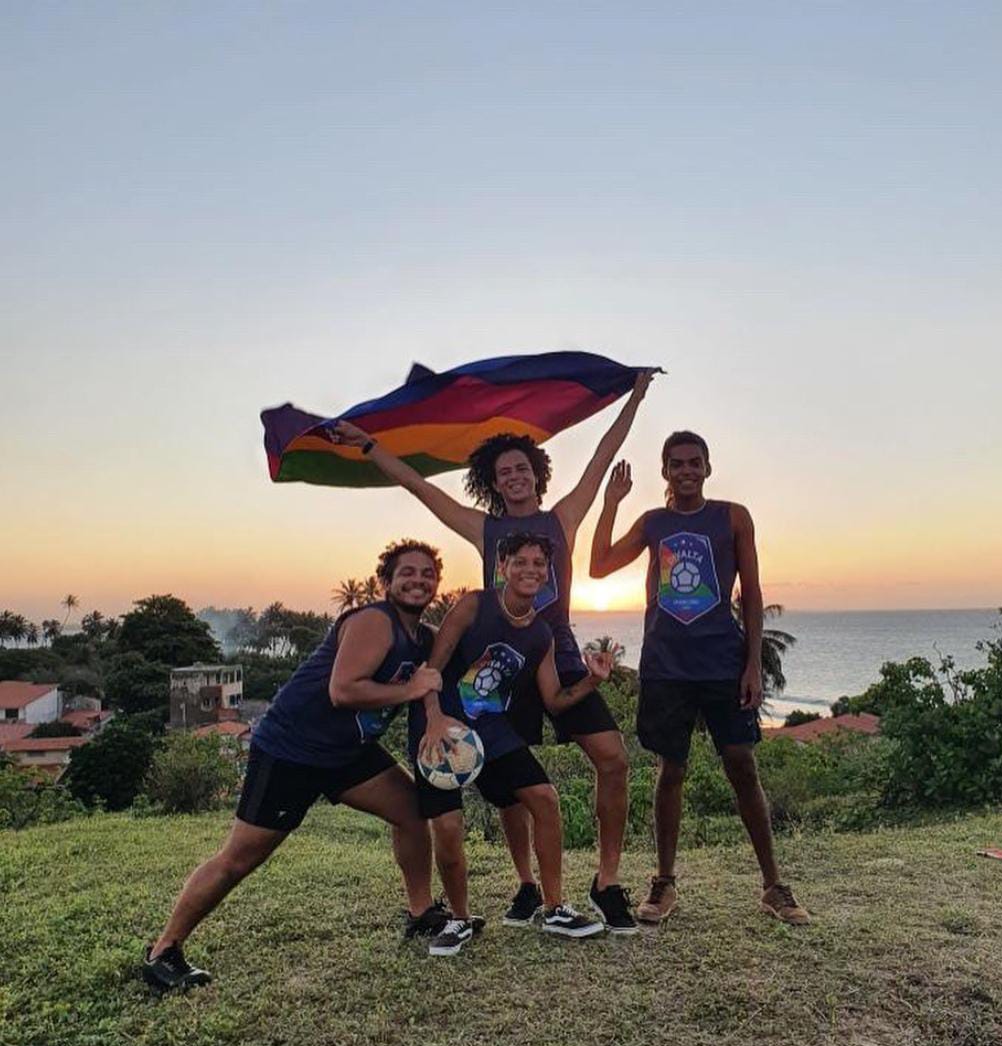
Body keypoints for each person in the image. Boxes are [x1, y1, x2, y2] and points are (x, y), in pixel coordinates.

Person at [330, 369, 653, 932]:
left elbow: (602, 457)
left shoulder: (561, 518)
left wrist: (636, 395)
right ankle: (528, 886)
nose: (514, 477)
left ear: (537, 474)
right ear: (493, 484)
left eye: (522, 468)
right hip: (500, 670)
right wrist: (370, 446)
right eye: (504, 473)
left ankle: (606, 882)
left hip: (555, 652)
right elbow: (421, 489)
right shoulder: (485, 530)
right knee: (510, 792)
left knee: (613, 758)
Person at [142, 541, 449, 992]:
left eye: (428, 574)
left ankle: (421, 913)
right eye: (407, 572)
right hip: (292, 750)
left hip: (347, 752)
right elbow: (343, 691)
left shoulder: (422, 637)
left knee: (411, 809)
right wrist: (411, 690)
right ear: (385, 581)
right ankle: (163, 952)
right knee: (240, 858)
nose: (418, 580)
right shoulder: (373, 621)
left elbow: (458, 647)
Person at [589, 433, 810, 926]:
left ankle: (773, 885)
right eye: (676, 464)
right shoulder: (653, 523)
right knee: (671, 770)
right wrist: (611, 503)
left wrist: (752, 664)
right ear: (665, 472)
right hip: (666, 664)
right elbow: (598, 566)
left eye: (694, 462)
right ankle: (664, 882)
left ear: (708, 467)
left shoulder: (733, 517)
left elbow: (752, 593)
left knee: (742, 765)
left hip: (722, 662)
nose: (686, 470)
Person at [414, 532, 610, 957]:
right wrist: (433, 717)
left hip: (492, 727)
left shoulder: (541, 635)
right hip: (439, 723)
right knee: (448, 826)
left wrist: (592, 680)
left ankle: (554, 908)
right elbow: (432, 669)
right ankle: (460, 919)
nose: (529, 570)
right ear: (501, 567)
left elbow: (554, 700)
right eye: (520, 561)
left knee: (545, 798)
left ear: (548, 573)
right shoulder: (474, 605)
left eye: (538, 563)